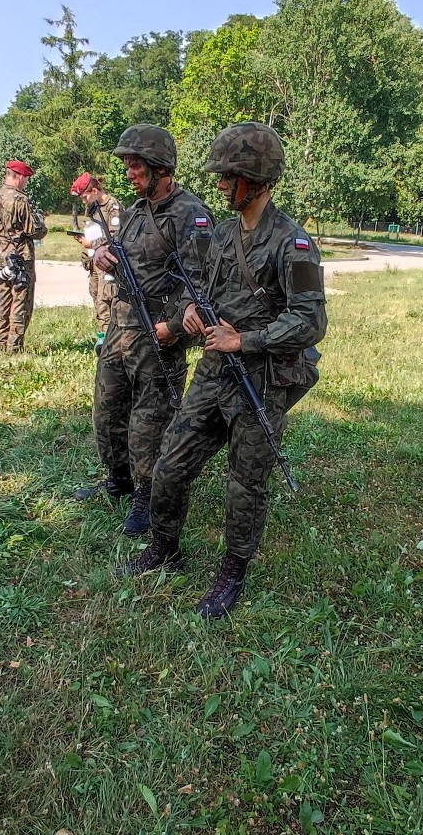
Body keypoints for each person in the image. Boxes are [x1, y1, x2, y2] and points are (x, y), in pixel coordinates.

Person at [124, 122, 327, 619]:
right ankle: (165, 548)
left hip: (262, 381)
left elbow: (311, 320)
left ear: (255, 180)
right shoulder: (220, 235)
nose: (218, 186)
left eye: (227, 177)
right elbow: (205, 292)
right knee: (170, 463)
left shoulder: (292, 244)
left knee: (245, 483)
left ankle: (232, 574)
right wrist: (193, 315)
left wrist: (247, 339)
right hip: (214, 372)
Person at [73, 124, 214, 537]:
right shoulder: (135, 211)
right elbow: (123, 253)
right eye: (127, 165)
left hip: (157, 336)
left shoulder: (192, 215)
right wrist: (102, 254)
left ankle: (146, 495)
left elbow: (201, 286)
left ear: (160, 168)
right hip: (120, 326)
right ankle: (117, 479)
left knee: (148, 424)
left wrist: (172, 329)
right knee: (108, 410)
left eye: (136, 165)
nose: (129, 173)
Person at [0, 160, 47, 354]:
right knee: (21, 301)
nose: (26, 183)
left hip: (2, 256)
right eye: (26, 179)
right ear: (20, 177)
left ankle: (0, 343)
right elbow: (35, 230)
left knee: (4, 300)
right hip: (21, 257)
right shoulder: (20, 199)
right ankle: (14, 347)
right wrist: (41, 221)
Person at [69, 173, 123, 354]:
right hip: (94, 264)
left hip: (108, 264)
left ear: (94, 190)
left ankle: (111, 343)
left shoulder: (112, 207)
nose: (84, 201)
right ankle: (103, 337)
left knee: (107, 301)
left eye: (85, 197)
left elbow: (116, 238)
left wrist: (91, 242)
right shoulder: (93, 208)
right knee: (98, 300)